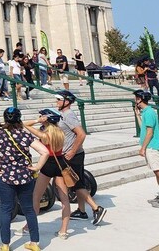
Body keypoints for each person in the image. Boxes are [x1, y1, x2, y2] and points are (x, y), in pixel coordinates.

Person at [0, 107, 48, 251]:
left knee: (6, 209)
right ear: (19, 119)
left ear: (5, 119)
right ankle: (34, 243)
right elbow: (45, 152)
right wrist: (36, 167)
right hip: (25, 176)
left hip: (5, 177)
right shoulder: (25, 135)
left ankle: (5, 244)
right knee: (29, 209)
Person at [53, 90, 107, 225]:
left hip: (72, 156)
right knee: (79, 183)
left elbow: (81, 134)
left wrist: (71, 151)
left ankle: (96, 209)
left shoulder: (68, 115)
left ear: (67, 101)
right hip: (76, 154)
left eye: (59, 99)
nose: (57, 101)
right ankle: (81, 211)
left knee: (76, 184)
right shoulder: (63, 115)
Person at [21, 109, 72, 240]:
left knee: (36, 197)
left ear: (47, 119)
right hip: (60, 163)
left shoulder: (45, 135)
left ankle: (28, 226)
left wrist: (38, 121)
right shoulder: (60, 132)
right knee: (65, 199)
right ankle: (64, 231)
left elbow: (24, 125)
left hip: (47, 164)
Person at [135, 90, 159, 208]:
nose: (134, 100)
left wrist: (143, 148)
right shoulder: (146, 112)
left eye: (135, 98)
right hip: (149, 146)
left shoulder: (149, 112)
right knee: (156, 171)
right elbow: (143, 127)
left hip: (152, 146)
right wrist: (137, 114)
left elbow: (149, 132)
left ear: (139, 99)